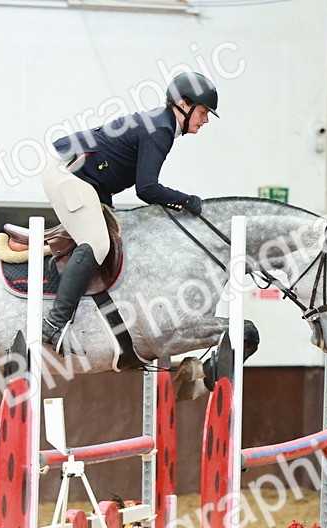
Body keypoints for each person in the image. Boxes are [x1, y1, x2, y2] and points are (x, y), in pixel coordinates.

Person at [39, 72, 219, 350]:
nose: (205, 120)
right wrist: (186, 200)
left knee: (115, 237)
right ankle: (55, 322)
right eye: (204, 112)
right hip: (67, 172)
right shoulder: (160, 129)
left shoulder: (162, 124)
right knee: (97, 244)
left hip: (89, 181)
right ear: (184, 104)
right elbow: (146, 189)